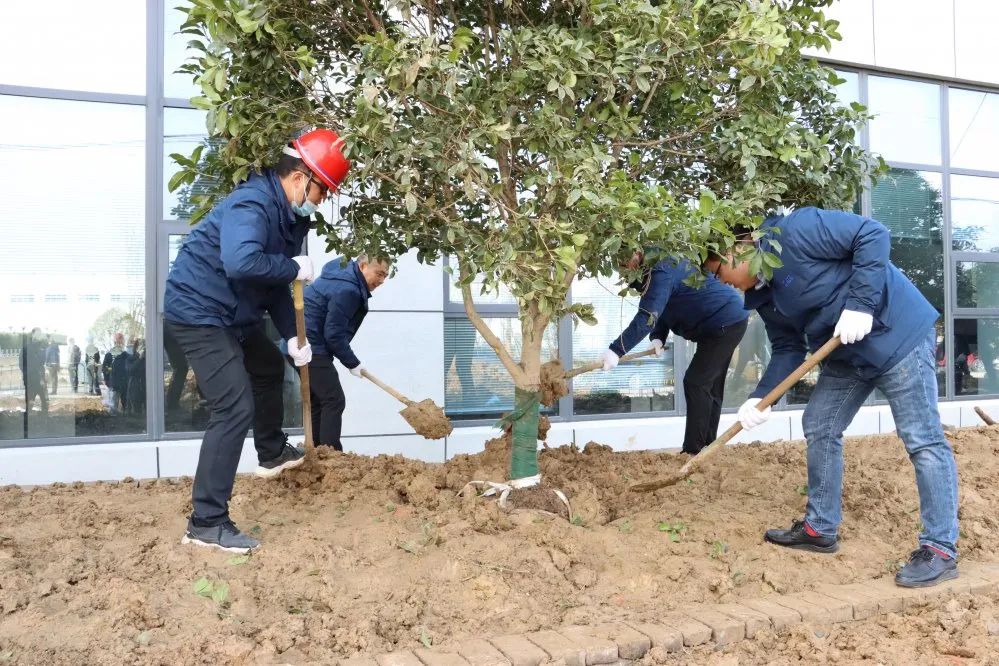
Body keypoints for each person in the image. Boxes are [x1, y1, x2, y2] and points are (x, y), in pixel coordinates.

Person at [707, 206, 959, 588]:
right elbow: (788, 348)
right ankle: (820, 528)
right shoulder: (762, 297)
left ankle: (939, 547)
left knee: (921, 438)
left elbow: (871, 234)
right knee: (820, 423)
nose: (722, 283)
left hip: (898, 335)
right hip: (845, 355)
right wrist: (759, 399)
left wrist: (860, 305)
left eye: (718, 273)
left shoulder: (796, 230)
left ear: (736, 248)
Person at [164, 128, 350, 553]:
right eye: (324, 190)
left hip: (232, 312)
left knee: (267, 367)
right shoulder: (254, 202)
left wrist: (290, 337)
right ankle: (206, 522)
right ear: (302, 177)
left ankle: (270, 452)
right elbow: (243, 261)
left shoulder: (289, 218)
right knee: (233, 406)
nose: (322, 200)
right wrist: (289, 267)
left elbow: (273, 287)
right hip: (199, 310)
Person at [602, 252, 748, 454]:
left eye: (625, 263)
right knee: (708, 386)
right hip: (722, 321)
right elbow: (664, 304)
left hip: (725, 321)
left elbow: (648, 315)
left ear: (637, 254)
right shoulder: (657, 268)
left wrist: (616, 349)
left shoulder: (661, 269)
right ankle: (708, 447)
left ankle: (693, 451)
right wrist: (658, 336)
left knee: (696, 382)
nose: (624, 270)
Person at [303, 255, 390, 451]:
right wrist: (353, 363)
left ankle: (318, 453)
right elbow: (333, 334)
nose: (382, 281)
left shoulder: (341, 276)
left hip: (300, 345)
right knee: (333, 399)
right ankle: (331, 457)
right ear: (363, 265)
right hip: (310, 347)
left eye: (385, 276)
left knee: (320, 400)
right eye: (379, 274)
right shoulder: (348, 289)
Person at [19, 328, 48, 414]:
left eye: (40, 334)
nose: (39, 336)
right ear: (33, 335)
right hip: (32, 377)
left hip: (38, 376)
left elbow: (42, 361)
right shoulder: (28, 348)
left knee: (42, 397)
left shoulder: (41, 347)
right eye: (37, 334)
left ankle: (43, 413)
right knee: (33, 397)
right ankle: (32, 413)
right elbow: (22, 362)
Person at [102, 333, 126, 413]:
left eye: (120, 342)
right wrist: (106, 379)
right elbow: (104, 367)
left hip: (119, 381)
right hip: (116, 381)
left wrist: (106, 378)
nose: (120, 343)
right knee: (115, 400)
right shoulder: (110, 354)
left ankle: (119, 414)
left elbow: (104, 368)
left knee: (119, 400)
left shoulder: (124, 354)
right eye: (118, 342)